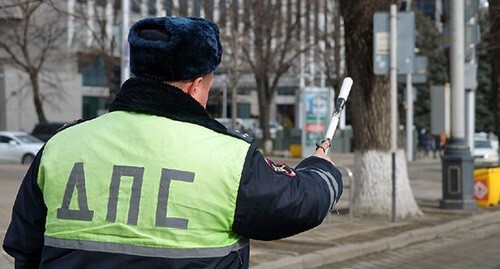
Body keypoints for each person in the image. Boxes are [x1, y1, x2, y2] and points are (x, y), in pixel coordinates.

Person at [3, 17, 342, 269]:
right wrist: (321, 167)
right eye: (208, 85)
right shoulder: (228, 157)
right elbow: (299, 203)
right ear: (196, 85)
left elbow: (25, 250)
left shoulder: (61, 147)